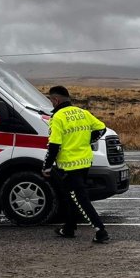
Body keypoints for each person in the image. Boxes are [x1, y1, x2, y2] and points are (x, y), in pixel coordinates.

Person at [43, 85, 110, 243]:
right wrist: (87, 140)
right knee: (71, 197)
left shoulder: (58, 117)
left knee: (80, 199)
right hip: (85, 161)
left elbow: (54, 145)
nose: (52, 104)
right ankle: (69, 228)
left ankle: (101, 230)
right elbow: (101, 128)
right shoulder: (83, 113)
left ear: (56, 100)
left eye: (52, 101)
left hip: (69, 165)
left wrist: (46, 166)